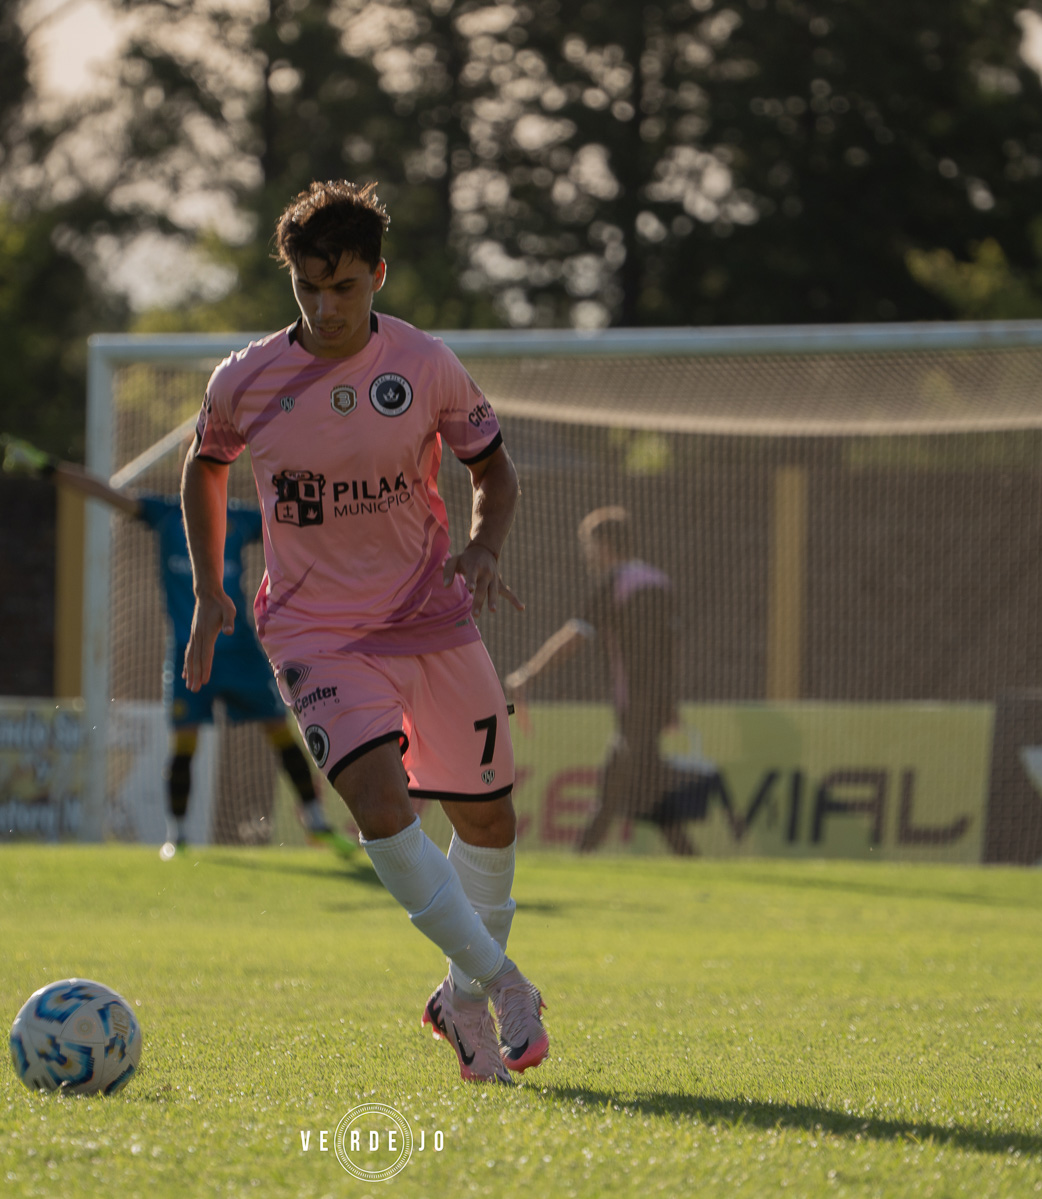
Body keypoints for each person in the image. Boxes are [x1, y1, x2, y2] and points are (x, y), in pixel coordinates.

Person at [181, 180, 548, 1084]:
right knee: (382, 808)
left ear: (377, 276)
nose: (324, 306)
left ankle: (459, 1000)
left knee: (490, 817)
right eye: (308, 287)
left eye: (343, 287)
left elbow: (494, 472)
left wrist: (481, 547)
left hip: (430, 614)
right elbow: (204, 467)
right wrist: (210, 590)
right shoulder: (245, 378)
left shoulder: (424, 365)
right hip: (313, 631)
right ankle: (505, 984)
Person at [55, 461, 356, 861]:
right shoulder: (164, 516)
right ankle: (175, 836)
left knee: (279, 733)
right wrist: (54, 472)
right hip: (189, 651)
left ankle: (316, 822)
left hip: (241, 651)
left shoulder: (240, 517)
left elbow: (297, 518)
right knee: (185, 744)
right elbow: (111, 495)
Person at [505, 506, 712, 854]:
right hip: (655, 705)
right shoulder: (659, 582)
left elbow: (574, 636)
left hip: (635, 707)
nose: (586, 554)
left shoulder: (617, 584)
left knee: (611, 790)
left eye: (588, 545)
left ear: (603, 545)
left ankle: (577, 865)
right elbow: (671, 653)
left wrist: (528, 674)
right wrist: (669, 704)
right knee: (651, 800)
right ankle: (695, 866)